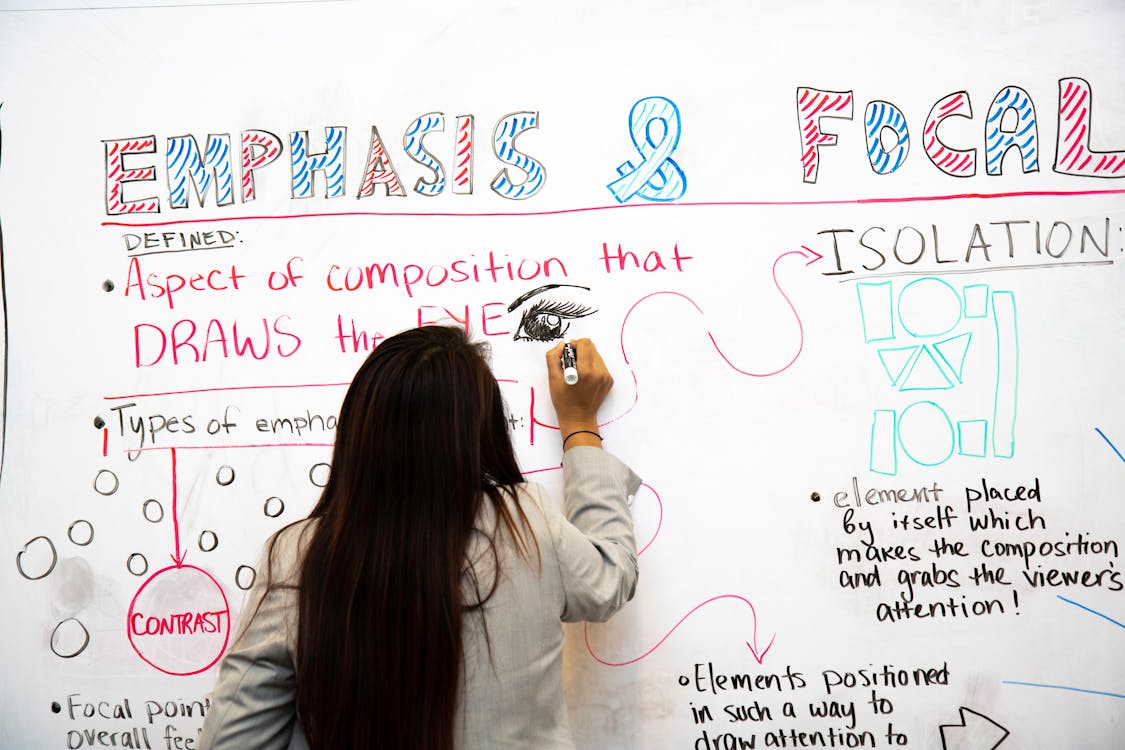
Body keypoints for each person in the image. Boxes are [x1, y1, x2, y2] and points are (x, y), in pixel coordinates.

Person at [197, 325, 640, 750]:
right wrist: (579, 423)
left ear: (358, 432)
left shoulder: (297, 555)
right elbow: (609, 575)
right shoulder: (526, 521)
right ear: (481, 431)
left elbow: (231, 741)